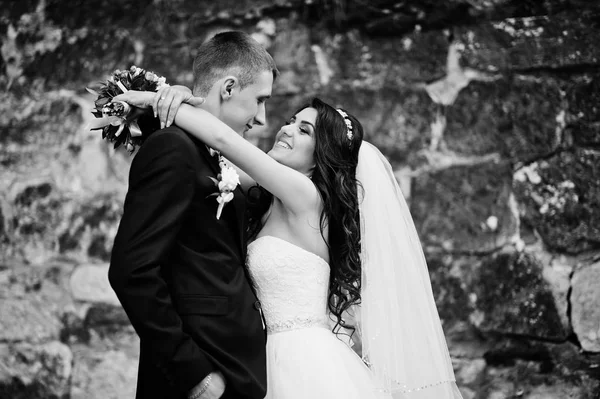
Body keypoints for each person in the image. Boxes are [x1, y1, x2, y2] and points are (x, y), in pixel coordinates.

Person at [113, 92, 464, 398]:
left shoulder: (306, 197)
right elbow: (212, 157)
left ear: (321, 156)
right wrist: (173, 96)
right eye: (291, 121)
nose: (285, 129)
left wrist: (154, 98)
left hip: (303, 361)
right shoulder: (269, 198)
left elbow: (224, 141)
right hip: (260, 356)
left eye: (304, 131)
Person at [108, 31, 279, 399]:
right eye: (260, 100)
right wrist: (193, 373)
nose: (263, 118)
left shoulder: (219, 155)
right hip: (200, 372)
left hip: (236, 365)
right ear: (229, 87)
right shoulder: (172, 148)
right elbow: (131, 270)